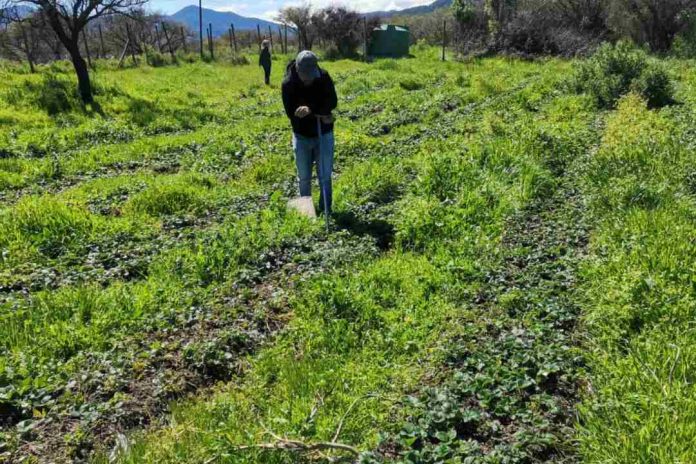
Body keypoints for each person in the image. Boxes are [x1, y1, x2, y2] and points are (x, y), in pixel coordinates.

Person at [282, 50, 338, 216]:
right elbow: (290, 112)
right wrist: (320, 113)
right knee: (304, 177)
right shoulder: (288, 84)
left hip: (324, 134)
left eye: (311, 74)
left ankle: (327, 210)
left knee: (325, 176)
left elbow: (332, 102)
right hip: (302, 135)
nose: (309, 78)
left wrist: (312, 110)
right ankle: (307, 214)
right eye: (305, 75)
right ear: (297, 70)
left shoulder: (323, 77)